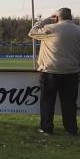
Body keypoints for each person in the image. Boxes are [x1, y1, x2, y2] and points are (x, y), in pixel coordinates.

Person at [28, 7, 80, 135]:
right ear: (71, 17)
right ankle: (71, 129)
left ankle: (46, 128)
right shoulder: (78, 30)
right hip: (71, 72)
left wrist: (44, 20)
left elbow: (32, 32)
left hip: (50, 71)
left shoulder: (51, 28)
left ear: (57, 18)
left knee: (47, 101)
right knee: (69, 104)